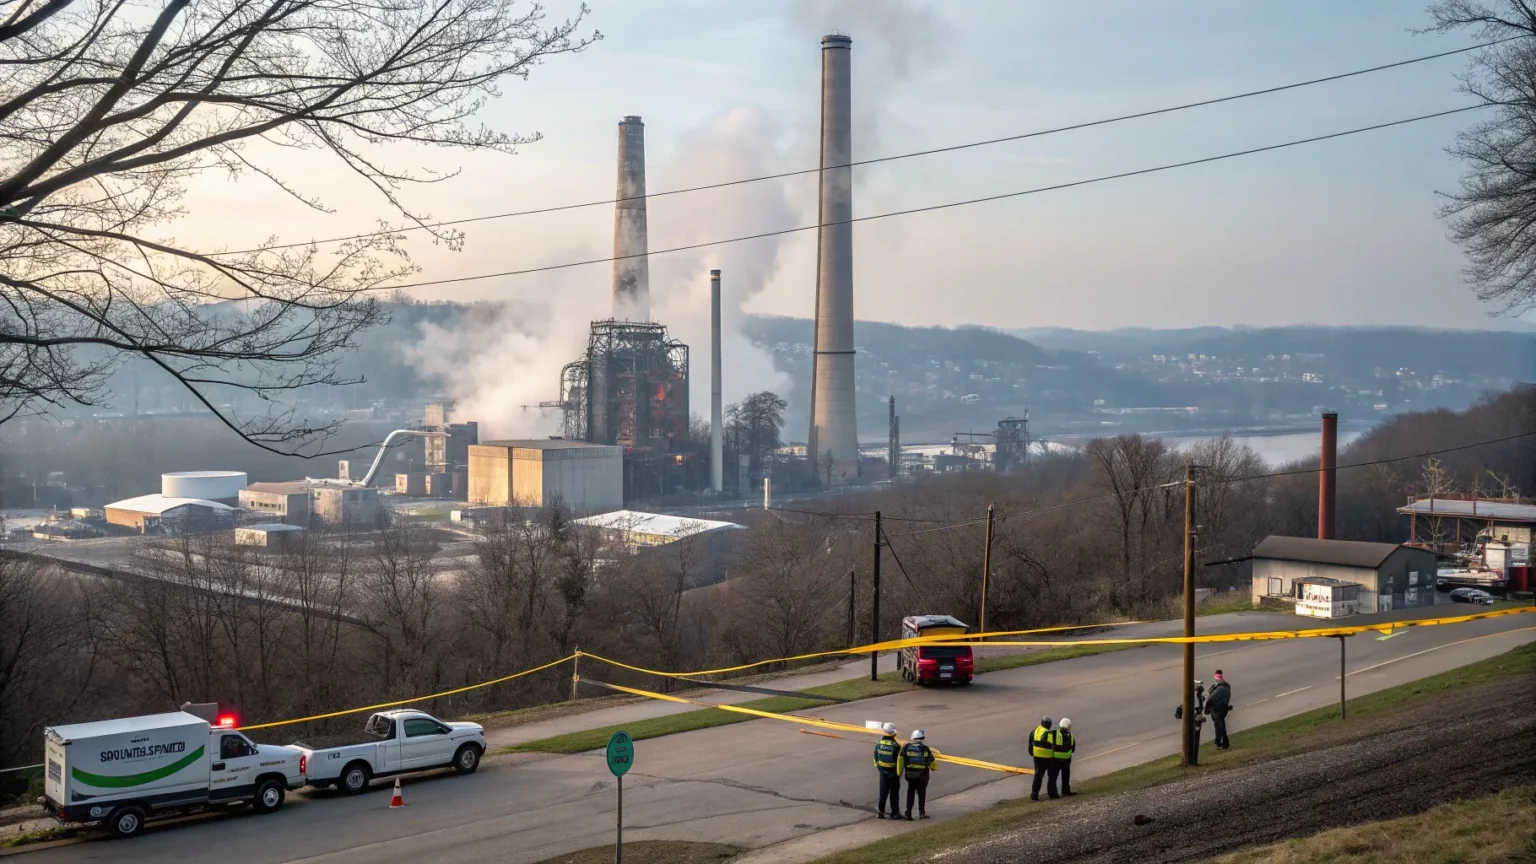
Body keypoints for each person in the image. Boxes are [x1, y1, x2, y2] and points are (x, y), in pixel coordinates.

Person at [898, 729, 938, 820]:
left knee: (910, 792)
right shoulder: (925, 748)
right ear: (922, 738)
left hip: (910, 775)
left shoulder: (906, 747)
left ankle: (908, 813)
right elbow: (932, 763)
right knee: (921, 793)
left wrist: (899, 773)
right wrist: (933, 768)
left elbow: (900, 760)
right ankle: (922, 813)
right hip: (922, 776)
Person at [873, 722, 902, 819]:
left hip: (882, 772)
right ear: (893, 733)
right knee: (894, 794)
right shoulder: (895, 746)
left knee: (883, 793)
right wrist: (898, 773)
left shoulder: (879, 743)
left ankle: (880, 812)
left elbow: (875, 758)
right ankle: (895, 813)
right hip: (893, 773)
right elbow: (899, 760)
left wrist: (880, 770)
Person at [1029, 716, 1059, 801]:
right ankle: (1052, 795)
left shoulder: (1035, 731)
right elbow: (1054, 745)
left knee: (1038, 776)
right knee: (1052, 776)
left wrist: (1032, 753)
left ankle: (1034, 796)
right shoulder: (1048, 733)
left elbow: (1030, 744)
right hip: (1048, 758)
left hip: (1037, 758)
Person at [1206, 669, 1232, 750]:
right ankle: (1225, 743)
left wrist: (1207, 710)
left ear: (1216, 677)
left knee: (1218, 726)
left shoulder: (1216, 688)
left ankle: (1219, 742)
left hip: (1216, 710)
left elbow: (1210, 700)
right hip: (1224, 709)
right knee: (1222, 725)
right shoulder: (1227, 686)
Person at [1055, 718, 1077, 795]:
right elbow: (1073, 749)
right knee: (1065, 776)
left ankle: (1053, 794)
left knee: (1053, 778)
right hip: (1066, 760)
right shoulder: (1071, 736)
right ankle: (1066, 791)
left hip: (1056, 760)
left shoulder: (1055, 734)